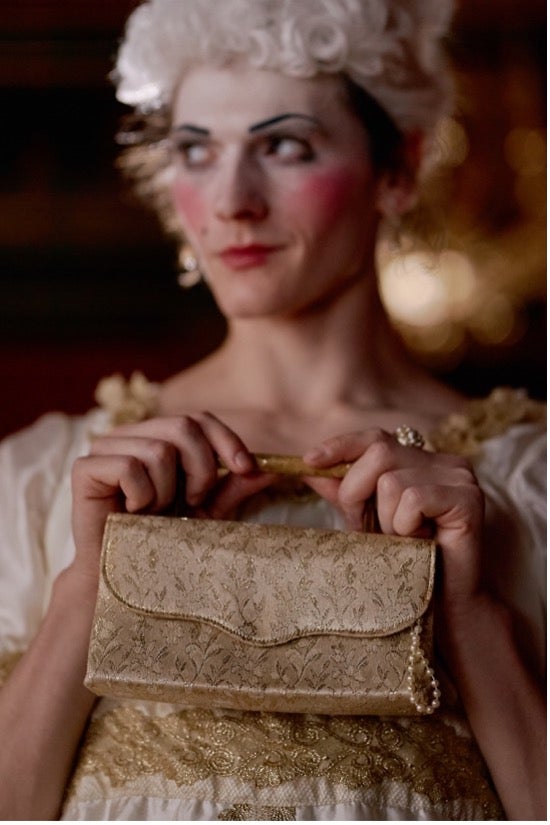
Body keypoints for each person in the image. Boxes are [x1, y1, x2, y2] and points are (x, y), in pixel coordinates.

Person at [0, 0, 545, 819]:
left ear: (399, 167)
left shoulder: (527, 481)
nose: (231, 201)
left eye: (284, 146)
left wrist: (471, 616)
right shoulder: (41, 480)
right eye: (196, 150)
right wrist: (88, 589)